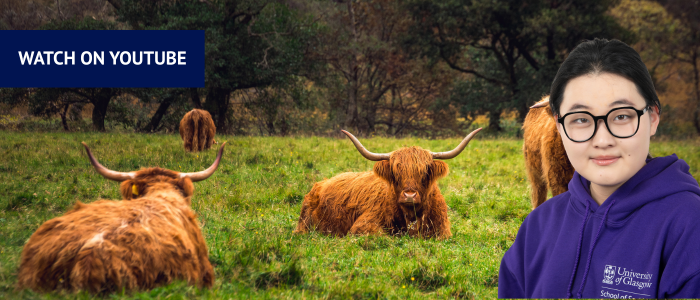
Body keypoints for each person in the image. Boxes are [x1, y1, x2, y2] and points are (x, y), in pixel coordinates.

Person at [498, 38, 700, 298]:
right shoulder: (537, 227)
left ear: (652, 119)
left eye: (622, 116)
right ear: (559, 127)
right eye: (581, 119)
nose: (602, 140)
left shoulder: (689, 225)